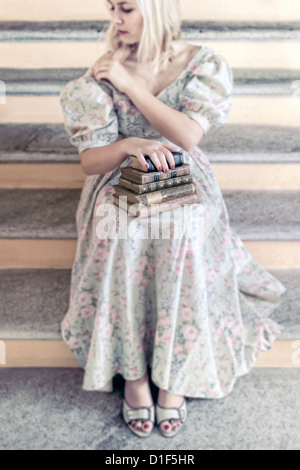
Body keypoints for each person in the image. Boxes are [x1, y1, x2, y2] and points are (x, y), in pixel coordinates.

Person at [59, 0, 287, 439]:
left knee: (186, 223)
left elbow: (186, 135)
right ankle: (136, 375)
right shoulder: (106, 69)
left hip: (181, 167)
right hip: (120, 170)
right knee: (121, 226)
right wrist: (130, 146)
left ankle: (175, 372)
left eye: (126, 8)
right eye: (111, 9)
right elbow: (90, 160)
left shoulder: (201, 64)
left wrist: (131, 84)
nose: (116, 20)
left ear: (155, 7)